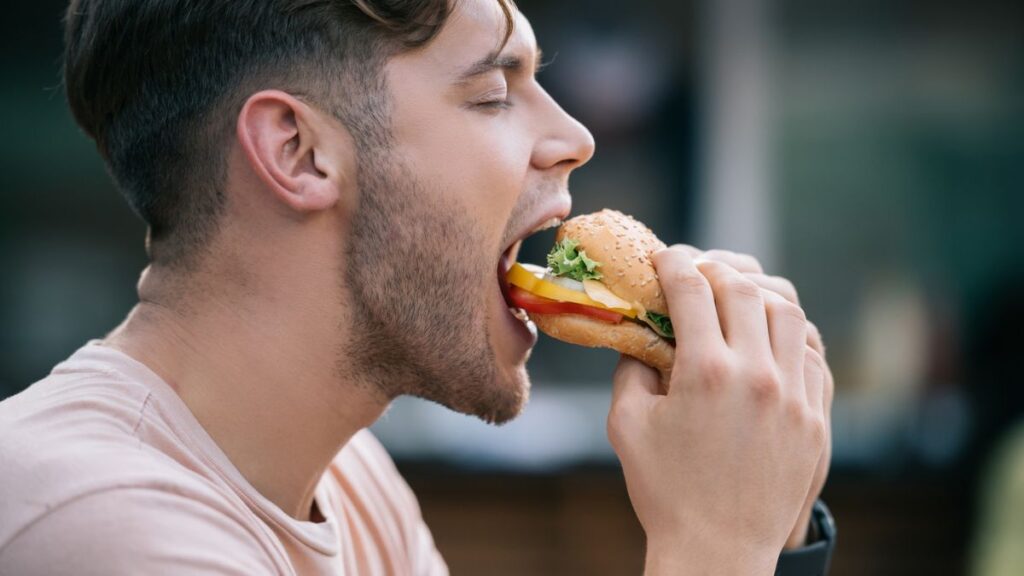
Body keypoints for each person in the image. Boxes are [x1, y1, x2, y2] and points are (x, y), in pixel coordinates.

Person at [0, 0, 836, 574]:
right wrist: (712, 543)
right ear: (297, 152)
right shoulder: (99, 521)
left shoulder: (351, 483)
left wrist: (776, 533)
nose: (575, 137)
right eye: (494, 93)